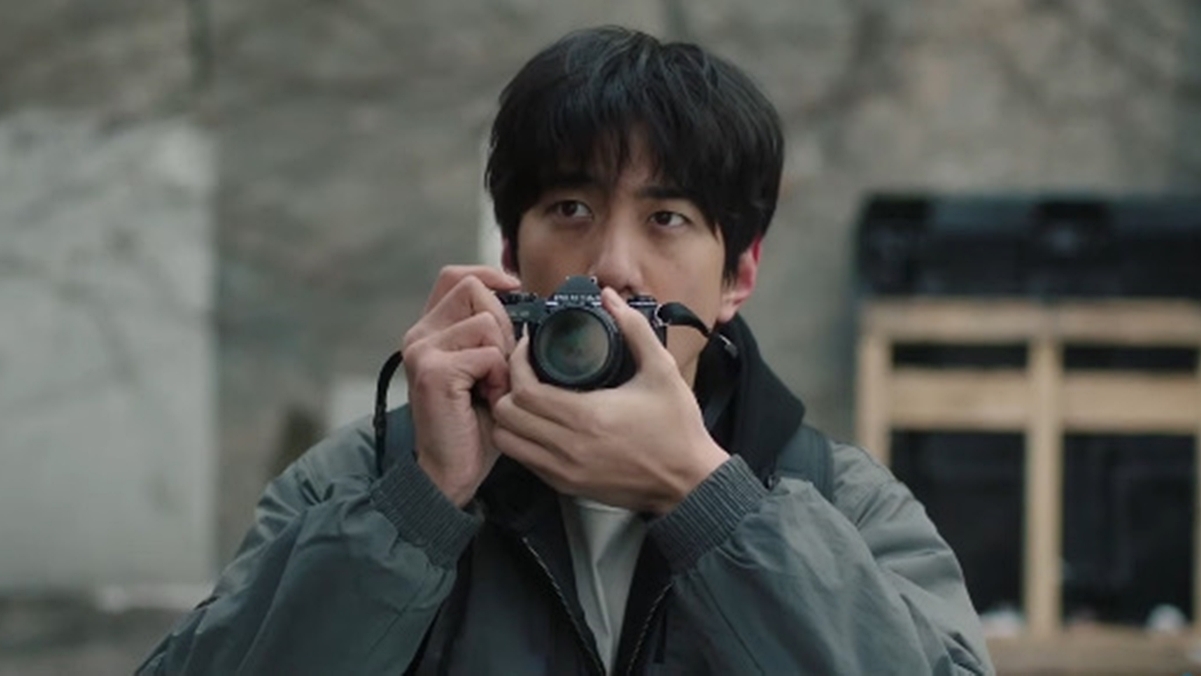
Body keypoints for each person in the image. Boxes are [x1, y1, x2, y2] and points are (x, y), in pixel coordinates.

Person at [139, 26, 994, 675]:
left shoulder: (840, 501)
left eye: (666, 219)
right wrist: (417, 510)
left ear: (737, 275)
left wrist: (708, 501)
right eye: (570, 211)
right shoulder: (360, 481)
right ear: (511, 254)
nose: (612, 265)